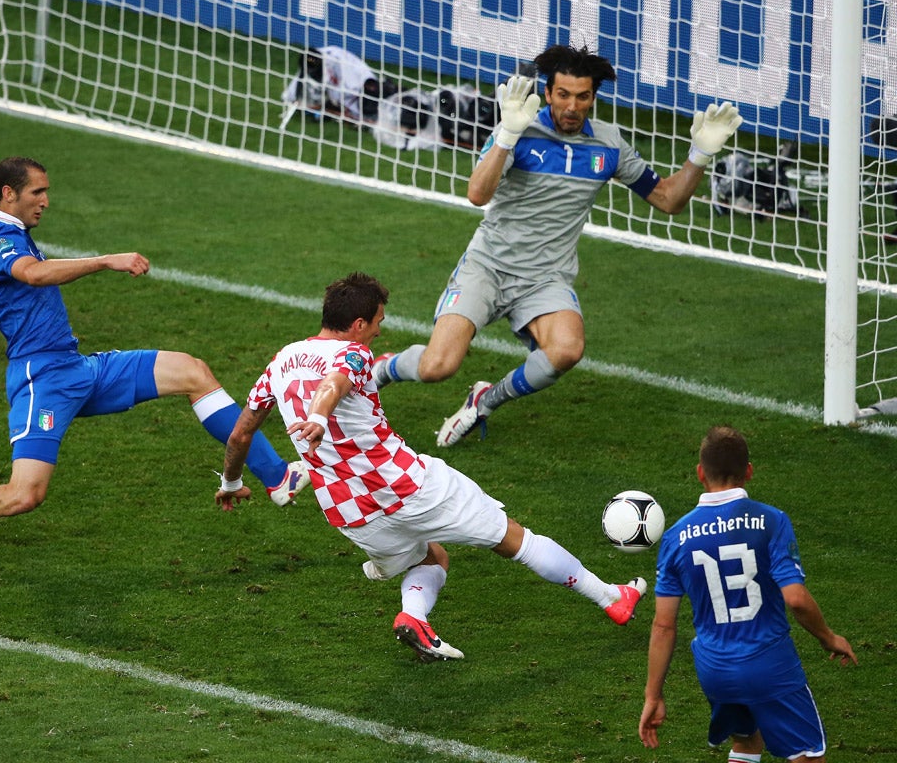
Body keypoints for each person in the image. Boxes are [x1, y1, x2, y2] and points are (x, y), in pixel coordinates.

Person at [0, 156, 308, 550]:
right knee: (24, 495)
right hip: (41, 380)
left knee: (191, 371)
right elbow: (35, 274)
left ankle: (277, 477)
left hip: (75, 367)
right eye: (36, 193)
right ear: (8, 195)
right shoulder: (1, 241)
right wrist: (105, 261)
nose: (45, 201)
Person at [214, 271, 646, 662]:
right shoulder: (354, 353)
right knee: (513, 538)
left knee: (431, 557)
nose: (381, 329)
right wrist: (321, 414)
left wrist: (232, 481)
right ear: (358, 324)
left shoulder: (280, 362)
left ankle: (413, 616)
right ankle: (611, 597)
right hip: (411, 487)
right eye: (378, 321)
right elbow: (335, 382)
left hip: (352, 515)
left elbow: (239, 435)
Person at [371, 45, 744, 447]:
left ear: (593, 99)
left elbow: (668, 200)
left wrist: (700, 155)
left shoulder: (608, 144)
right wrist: (508, 135)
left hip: (545, 278)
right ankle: (379, 371)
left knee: (567, 349)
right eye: (563, 95)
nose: (571, 106)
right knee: (437, 366)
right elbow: (478, 194)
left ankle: (484, 401)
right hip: (488, 267)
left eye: (582, 97)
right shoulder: (520, 128)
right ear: (547, 93)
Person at [638, 426, 857, 762]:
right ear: (749, 472)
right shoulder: (771, 521)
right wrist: (828, 637)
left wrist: (653, 694)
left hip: (715, 670)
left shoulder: (675, 536)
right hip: (770, 665)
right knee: (808, 757)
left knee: (746, 743)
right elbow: (796, 598)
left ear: (700, 473)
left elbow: (664, 626)